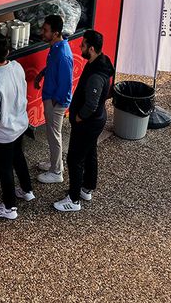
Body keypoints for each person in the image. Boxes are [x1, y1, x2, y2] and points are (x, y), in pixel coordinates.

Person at [54, 30, 115, 213]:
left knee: (75, 158)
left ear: (92, 48)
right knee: (90, 153)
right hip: (95, 121)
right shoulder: (98, 63)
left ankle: (73, 199)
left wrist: (79, 117)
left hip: (88, 123)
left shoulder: (96, 75)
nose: (80, 47)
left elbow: (91, 104)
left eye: (83, 45)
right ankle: (87, 188)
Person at [0, 33, 35, 220]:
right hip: (20, 124)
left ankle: (9, 207)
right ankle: (27, 190)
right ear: (8, 51)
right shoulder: (17, 67)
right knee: (18, 157)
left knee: (5, 168)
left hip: (3, 133)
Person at [33, 14, 74, 184]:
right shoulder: (57, 47)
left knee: (54, 135)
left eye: (46, 30)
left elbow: (66, 84)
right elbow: (53, 68)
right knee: (52, 134)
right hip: (53, 99)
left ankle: (57, 171)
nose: (43, 33)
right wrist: (42, 75)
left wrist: (55, 103)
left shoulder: (62, 54)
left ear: (56, 33)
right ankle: (54, 163)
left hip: (55, 101)